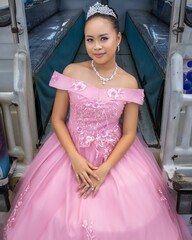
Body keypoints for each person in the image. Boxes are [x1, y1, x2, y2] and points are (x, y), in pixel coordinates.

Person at [3, 2, 192, 240]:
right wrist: (75, 158)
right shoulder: (71, 71)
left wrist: (104, 170)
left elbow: (129, 133)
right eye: (90, 39)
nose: (96, 46)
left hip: (112, 156)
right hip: (70, 150)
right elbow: (58, 119)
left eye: (103, 38)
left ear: (118, 38)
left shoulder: (129, 82)